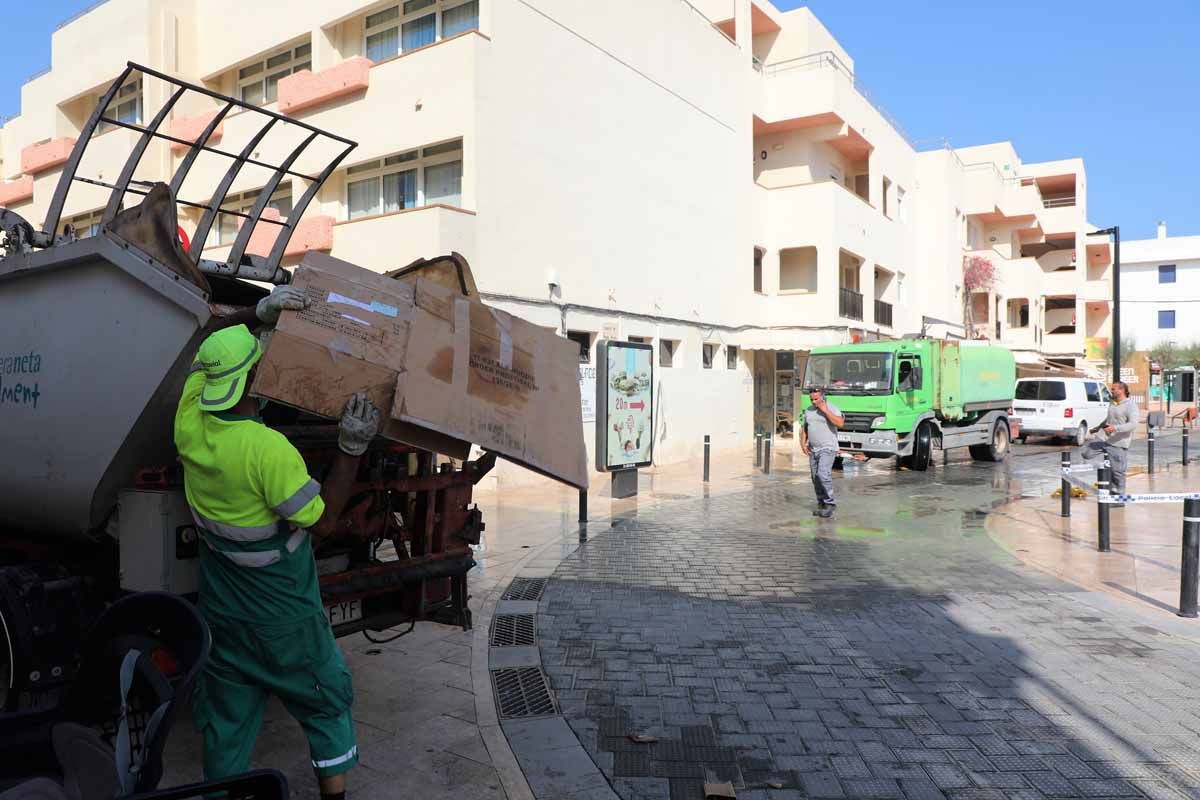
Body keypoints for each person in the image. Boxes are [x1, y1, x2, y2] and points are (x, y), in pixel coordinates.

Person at [175, 285, 381, 800]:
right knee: (324, 699)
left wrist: (257, 312)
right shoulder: (269, 452)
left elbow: (206, 345)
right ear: (251, 379)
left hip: (224, 609)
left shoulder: (188, 422)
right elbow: (326, 523)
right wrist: (351, 448)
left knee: (227, 711)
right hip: (283, 616)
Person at [1080, 380, 1139, 505]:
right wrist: (1098, 427)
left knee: (1117, 472)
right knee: (1086, 452)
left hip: (1118, 442)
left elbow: (1133, 424)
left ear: (1122, 390)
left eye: (1114, 389)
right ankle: (1106, 465)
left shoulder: (1130, 405)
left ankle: (1118, 499)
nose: (1111, 391)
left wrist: (1115, 428)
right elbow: (1109, 419)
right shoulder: (1113, 403)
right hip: (1104, 438)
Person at [800, 387, 844, 517]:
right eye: (811, 399)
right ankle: (822, 504)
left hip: (828, 448)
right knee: (815, 477)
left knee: (823, 474)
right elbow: (805, 427)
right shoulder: (809, 410)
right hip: (813, 449)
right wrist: (803, 442)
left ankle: (830, 503)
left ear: (823, 396)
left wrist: (825, 410)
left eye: (816, 399)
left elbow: (840, 423)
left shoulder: (832, 408)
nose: (814, 402)